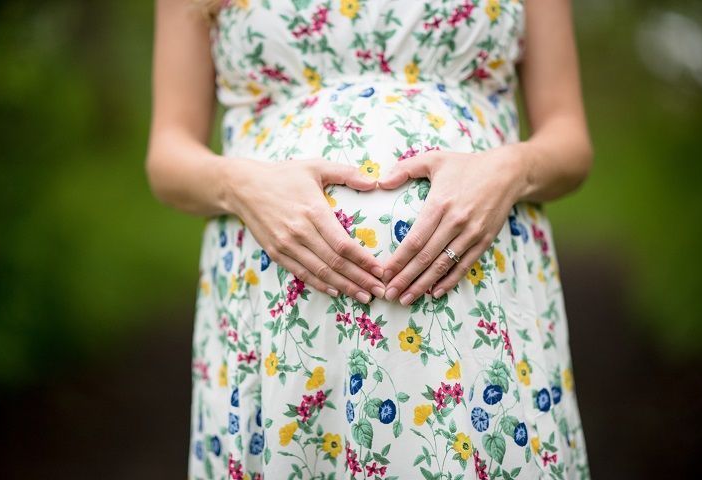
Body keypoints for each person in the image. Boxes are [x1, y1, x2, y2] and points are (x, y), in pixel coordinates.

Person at [145, 0, 593, 478]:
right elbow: (168, 154)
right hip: (276, 315)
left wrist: (510, 169)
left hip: (479, 298)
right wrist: (240, 185)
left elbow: (569, 139)